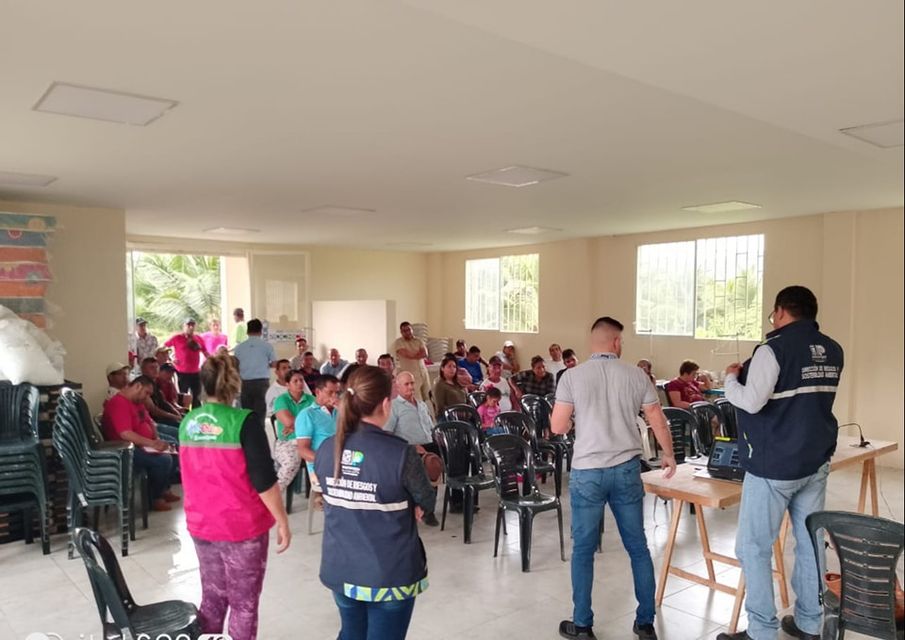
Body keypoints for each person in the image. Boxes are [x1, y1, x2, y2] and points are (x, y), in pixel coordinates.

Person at [716, 286, 844, 640]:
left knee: (753, 548)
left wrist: (730, 378)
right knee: (810, 543)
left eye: (773, 314)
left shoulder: (773, 350)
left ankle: (761, 631)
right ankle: (809, 623)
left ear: (781, 312)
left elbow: (751, 401)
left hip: (774, 465)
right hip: (815, 462)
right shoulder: (833, 350)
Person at [552, 316, 677, 640]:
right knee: (638, 547)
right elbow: (656, 418)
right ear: (616, 342)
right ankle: (645, 623)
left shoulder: (571, 376)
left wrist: (577, 422)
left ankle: (582, 626)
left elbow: (557, 426)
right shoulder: (637, 375)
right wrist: (668, 453)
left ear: (593, 341)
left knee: (583, 551)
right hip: (626, 469)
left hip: (587, 472)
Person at [315, 366, 435, 640]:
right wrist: (414, 504)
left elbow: (336, 495)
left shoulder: (326, 449)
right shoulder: (401, 453)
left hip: (341, 569)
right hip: (389, 574)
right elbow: (427, 499)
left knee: (351, 634)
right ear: (385, 404)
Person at [179, 353, 291, 640]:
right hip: (241, 528)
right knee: (244, 605)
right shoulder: (244, 422)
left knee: (212, 598)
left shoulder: (188, 422)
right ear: (234, 383)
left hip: (201, 524)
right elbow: (264, 481)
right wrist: (282, 520)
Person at [102, 376, 178, 512]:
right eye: (146, 393)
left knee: (173, 448)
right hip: (126, 449)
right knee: (163, 460)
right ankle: (154, 498)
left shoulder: (137, 402)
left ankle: (164, 489)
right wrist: (152, 443)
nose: (147, 397)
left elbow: (149, 421)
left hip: (143, 444)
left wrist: (157, 438)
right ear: (137, 386)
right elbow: (126, 434)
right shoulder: (119, 403)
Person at [384, 371, 441, 527]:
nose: (411, 387)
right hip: (409, 449)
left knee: (446, 463)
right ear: (398, 387)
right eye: (406, 384)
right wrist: (411, 446)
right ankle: (424, 511)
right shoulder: (394, 407)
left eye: (412, 383)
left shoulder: (422, 405)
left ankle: (433, 507)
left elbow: (431, 427)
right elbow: (388, 434)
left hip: (429, 444)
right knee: (424, 474)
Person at [272, 369, 315, 488]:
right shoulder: (281, 399)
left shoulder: (311, 399)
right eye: (295, 381)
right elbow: (288, 421)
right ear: (287, 384)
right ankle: (274, 493)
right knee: (290, 464)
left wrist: (294, 428)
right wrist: (305, 423)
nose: (300, 383)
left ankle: (319, 492)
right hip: (288, 442)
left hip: (309, 440)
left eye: (301, 380)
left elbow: (318, 422)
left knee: (324, 458)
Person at [234, 319, 276, 433]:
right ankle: (259, 434)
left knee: (247, 412)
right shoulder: (267, 346)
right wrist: (265, 364)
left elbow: (235, 365)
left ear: (247, 331)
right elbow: (274, 363)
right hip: (262, 383)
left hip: (245, 383)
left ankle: (248, 434)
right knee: (260, 412)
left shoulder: (239, 347)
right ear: (261, 331)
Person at [296, 374, 340, 481]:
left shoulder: (340, 411)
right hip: (321, 467)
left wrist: (344, 410)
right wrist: (327, 461)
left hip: (344, 462)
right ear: (318, 392)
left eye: (337, 393)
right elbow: (302, 450)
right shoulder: (307, 414)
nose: (334, 397)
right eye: (330, 392)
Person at [164, 318, 209, 408]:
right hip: (182, 372)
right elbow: (164, 347)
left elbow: (205, 352)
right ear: (184, 326)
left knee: (197, 396)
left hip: (196, 372)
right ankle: (183, 413)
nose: (191, 327)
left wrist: (214, 361)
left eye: (192, 325)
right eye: (188, 325)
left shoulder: (198, 338)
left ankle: (196, 414)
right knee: (183, 396)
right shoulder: (177, 338)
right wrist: (170, 358)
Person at [139, 357, 183, 437]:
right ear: (143, 370)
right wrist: (173, 416)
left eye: (157, 367)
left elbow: (164, 402)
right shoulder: (142, 385)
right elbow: (154, 410)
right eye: (152, 368)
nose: (155, 370)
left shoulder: (156, 383)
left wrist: (176, 412)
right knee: (181, 430)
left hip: (162, 418)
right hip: (154, 421)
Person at [392, 321, 431, 402]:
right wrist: (418, 354)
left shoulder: (419, 341)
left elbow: (425, 354)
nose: (407, 332)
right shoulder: (399, 342)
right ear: (401, 332)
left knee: (428, 397)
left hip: (423, 373)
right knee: (416, 399)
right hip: (411, 376)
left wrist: (414, 355)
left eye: (408, 330)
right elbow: (407, 355)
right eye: (404, 331)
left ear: (412, 330)